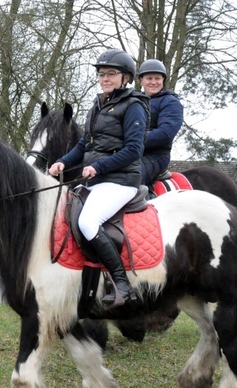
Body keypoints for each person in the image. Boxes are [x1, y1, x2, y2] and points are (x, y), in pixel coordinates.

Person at [49, 49, 150, 308]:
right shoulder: (98, 104)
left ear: (126, 77)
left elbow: (133, 150)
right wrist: (63, 161)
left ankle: (122, 284)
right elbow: (84, 144)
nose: (105, 78)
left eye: (111, 74)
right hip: (99, 181)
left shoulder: (134, 105)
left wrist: (99, 167)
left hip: (122, 181)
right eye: (101, 74)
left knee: (88, 222)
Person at [137, 59, 184, 187]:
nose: (153, 82)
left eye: (157, 78)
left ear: (163, 80)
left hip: (155, 156)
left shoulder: (171, 103)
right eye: (149, 78)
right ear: (141, 80)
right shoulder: (132, 101)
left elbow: (165, 134)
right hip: (129, 151)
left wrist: (132, 140)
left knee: (130, 177)